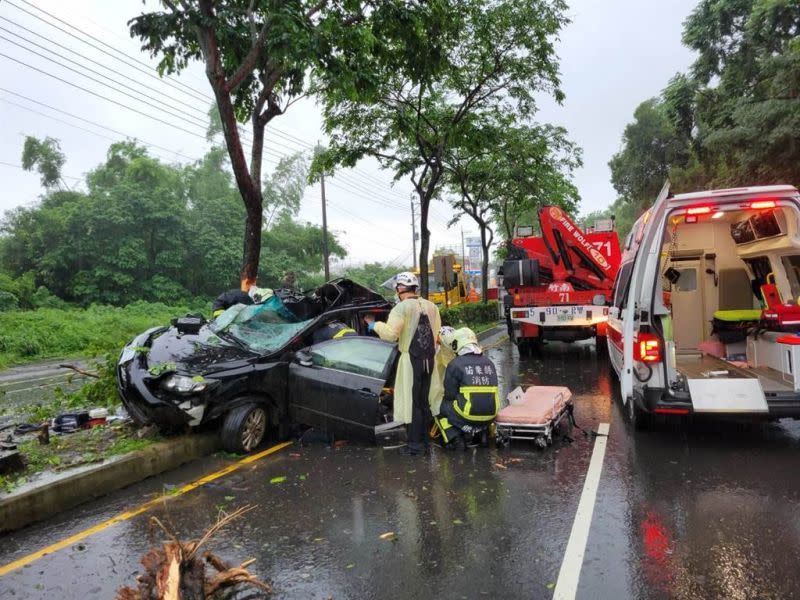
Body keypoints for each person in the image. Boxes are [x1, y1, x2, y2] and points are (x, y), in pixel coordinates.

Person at [365, 272, 441, 456]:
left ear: (399, 288)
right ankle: (424, 441)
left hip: (411, 361)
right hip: (429, 360)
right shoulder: (431, 307)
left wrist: (373, 325)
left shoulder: (401, 308)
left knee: (412, 402)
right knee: (424, 402)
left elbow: (391, 334)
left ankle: (415, 446)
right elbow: (437, 335)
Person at [435, 327, 499, 450]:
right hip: (491, 415)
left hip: (467, 415)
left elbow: (450, 395)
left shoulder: (455, 364)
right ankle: (482, 434)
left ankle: (455, 438)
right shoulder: (489, 362)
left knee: (441, 407)